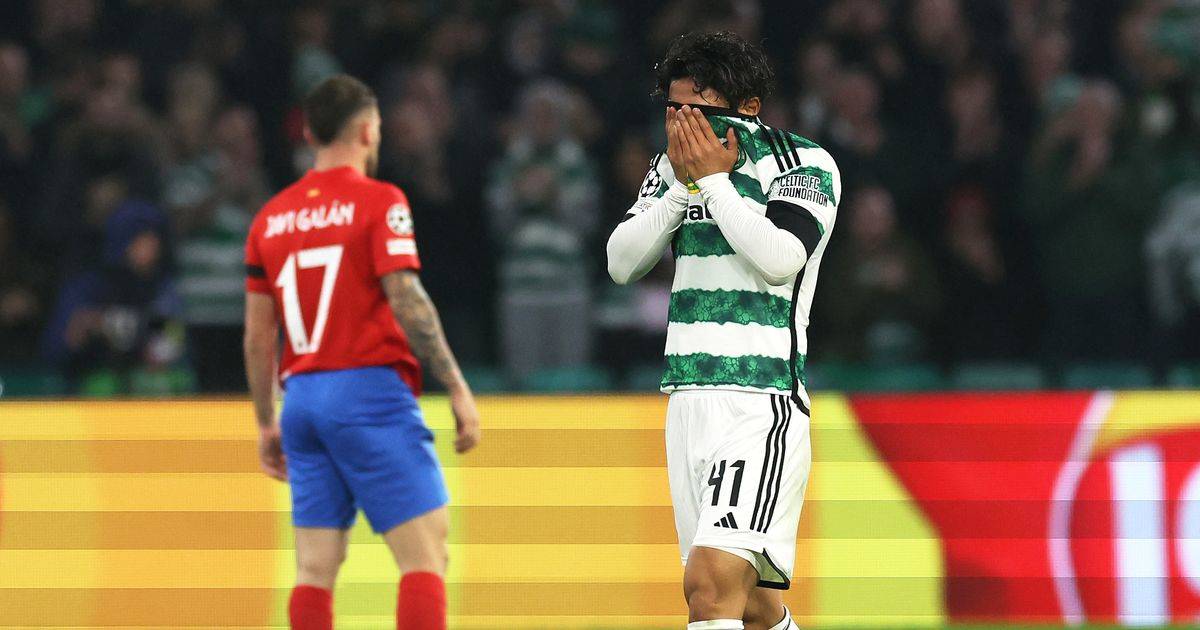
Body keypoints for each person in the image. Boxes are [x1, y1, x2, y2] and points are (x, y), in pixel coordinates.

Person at [606, 31, 841, 630]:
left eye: (701, 112)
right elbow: (621, 262)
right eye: (674, 111)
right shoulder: (670, 170)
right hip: (687, 401)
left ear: (749, 107)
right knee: (754, 606)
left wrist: (712, 182)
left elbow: (781, 258)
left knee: (708, 587)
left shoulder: (802, 163)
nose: (685, 127)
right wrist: (683, 187)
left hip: (760, 402)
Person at [242, 74, 480, 630]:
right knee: (425, 556)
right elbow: (407, 299)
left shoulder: (270, 218)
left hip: (301, 400)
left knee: (314, 568)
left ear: (309, 134)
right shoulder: (380, 202)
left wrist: (266, 422)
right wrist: (457, 386)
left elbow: (257, 336)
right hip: (368, 392)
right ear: (370, 130)